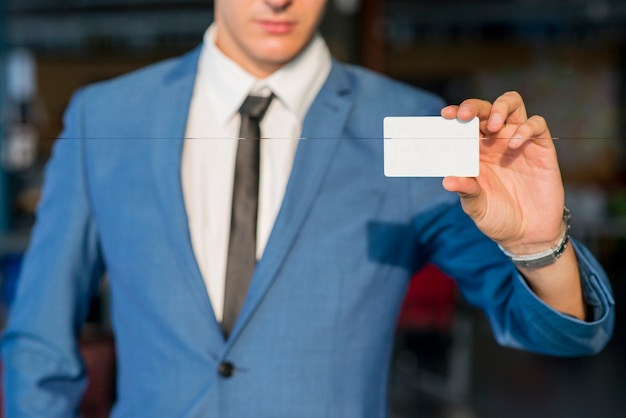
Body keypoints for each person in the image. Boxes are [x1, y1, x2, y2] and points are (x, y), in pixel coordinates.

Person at [1, 0, 615, 416]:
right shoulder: (106, 118)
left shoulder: (412, 126)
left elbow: (559, 335)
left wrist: (539, 245)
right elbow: (39, 341)